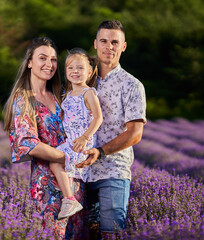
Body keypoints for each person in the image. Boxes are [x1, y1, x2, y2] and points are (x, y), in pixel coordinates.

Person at [3, 37, 87, 240]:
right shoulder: (24, 99)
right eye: (42, 58)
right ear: (30, 62)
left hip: (74, 183)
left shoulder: (59, 95)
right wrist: (67, 159)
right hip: (48, 186)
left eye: (53, 60)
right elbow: (27, 144)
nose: (49, 64)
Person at [76, 20, 147, 238]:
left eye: (115, 42)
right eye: (104, 41)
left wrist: (101, 152)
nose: (109, 46)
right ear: (95, 44)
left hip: (113, 172)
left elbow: (135, 133)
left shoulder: (132, 85)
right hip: (80, 172)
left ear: (123, 46)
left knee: (111, 234)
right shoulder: (81, 79)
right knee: (80, 234)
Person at [49, 48, 103, 220]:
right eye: (70, 68)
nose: (75, 72)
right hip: (70, 141)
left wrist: (85, 136)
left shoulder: (88, 93)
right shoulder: (69, 94)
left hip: (82, 143)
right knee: (54, 162)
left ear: (89, 72)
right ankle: (67, 192)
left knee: (56, 163)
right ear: (66, 72)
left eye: (80, 68)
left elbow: (98, 117)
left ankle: (69, 199)